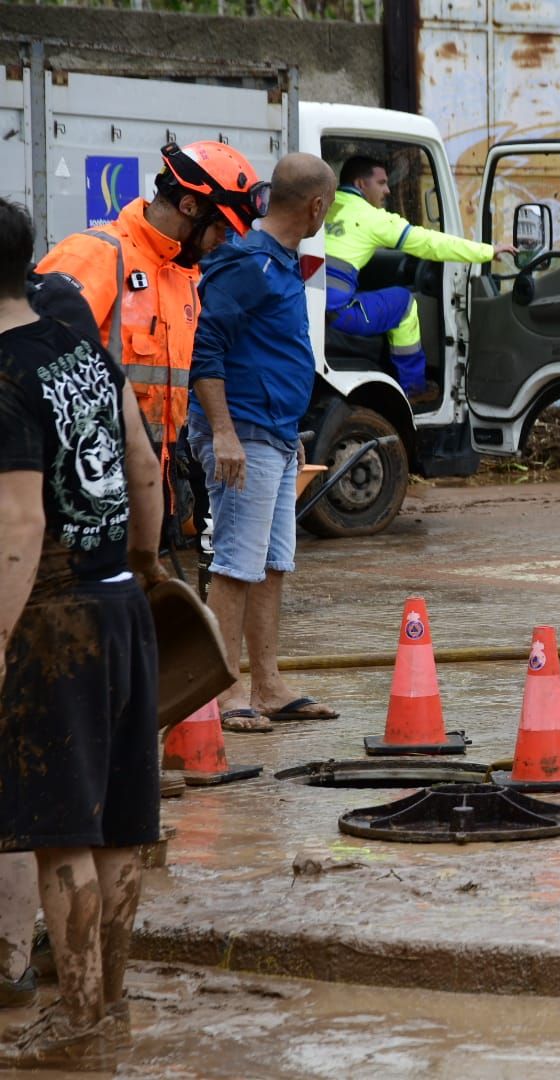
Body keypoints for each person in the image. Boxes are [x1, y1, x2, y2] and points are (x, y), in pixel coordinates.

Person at [0, 196, 167, 1069]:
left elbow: (18, 524)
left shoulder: (2, 375)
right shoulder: (86, 353)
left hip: (52, 615)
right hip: (121, 603)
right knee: (120, 822)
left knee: (63, 828)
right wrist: (146, 566)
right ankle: (110, 1002)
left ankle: (72, 1019)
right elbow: (144, 470)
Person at [189, 154, 340, 733]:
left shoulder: (277, 261)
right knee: (235, 565)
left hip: (271, 434)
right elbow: (207, 351)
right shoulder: (248, 262)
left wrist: (286, 433)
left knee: (272, 565)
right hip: (242, 435)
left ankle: (268, 685)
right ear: (316, 206)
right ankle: (224, 693)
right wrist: (224, 432)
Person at [35, 140, 262, 512]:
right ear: (190, 206)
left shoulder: (184, 275)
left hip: (152, 481)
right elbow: (36, 367)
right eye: (221, 227)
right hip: (87, 480)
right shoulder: (94, 254)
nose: (224, 241)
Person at [325, 156, 515, 408]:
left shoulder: (324, 207)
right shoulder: (372, 218)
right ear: (361, 183)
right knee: (404, 303)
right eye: (381, 183)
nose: (387, 189)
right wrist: (487, 251)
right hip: (337, 315)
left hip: (308, 309)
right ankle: (414, 387)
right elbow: (430, 243)